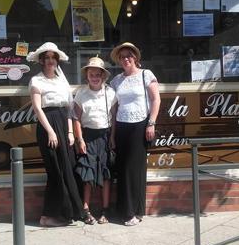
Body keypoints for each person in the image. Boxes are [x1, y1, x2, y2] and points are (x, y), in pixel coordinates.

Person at [27, 42, 84, 228]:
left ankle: (66, 214)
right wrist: (51, 131)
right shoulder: (36, 81)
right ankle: (48, 216)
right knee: (55, 172)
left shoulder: (61, 79)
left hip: (62, 122)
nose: (51, 61)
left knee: (67, 169)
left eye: (53, 57)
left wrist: (69, 131)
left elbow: (68, 107)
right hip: (47, 126)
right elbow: (37, 108)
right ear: (42, 60)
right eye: (47, 57)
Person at [110, 42, 160, 226]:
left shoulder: (146, 75)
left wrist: (151, 123)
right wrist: (113, 135)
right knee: (122, 169)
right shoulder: (116, 81)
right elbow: (113, 111)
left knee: (135, 169)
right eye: (122, 56)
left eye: (129, 55)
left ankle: (136, 210)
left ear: (135, 57)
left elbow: (156, 99)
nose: (125, 59)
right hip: (122, 127)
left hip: (140, 126)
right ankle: (126, 210)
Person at [73, 56, 115, 224]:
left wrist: (112, 137)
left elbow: (115, 117)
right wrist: (80, 139)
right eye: (92, 74)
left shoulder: (110, 93)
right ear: (87, 76)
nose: (95, 77)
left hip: (105, 136)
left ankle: (105, 210)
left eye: (98, 74)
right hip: (88, 137)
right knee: (87, 175)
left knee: (105, 175)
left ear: (103, 76)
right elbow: (76, 118)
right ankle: (86, 210)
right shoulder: (81, 93)